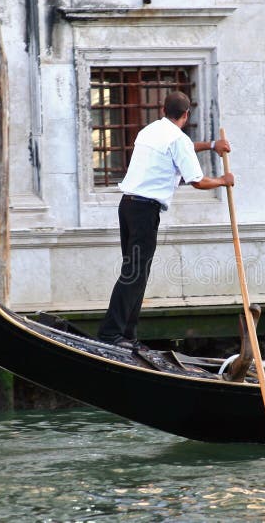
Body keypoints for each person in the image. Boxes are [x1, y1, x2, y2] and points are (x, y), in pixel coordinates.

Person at [97, 91, 234, 348]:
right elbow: (197, 181)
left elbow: (182, 149)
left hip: (127, 206)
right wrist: (223, 181)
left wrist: (211, 145)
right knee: (134, 273)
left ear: (163, 110)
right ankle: (111, 334)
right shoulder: (177, 140)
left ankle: (126, 335)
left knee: (136, 271)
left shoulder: (150, 131)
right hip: (144, 211)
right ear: (186, 114)